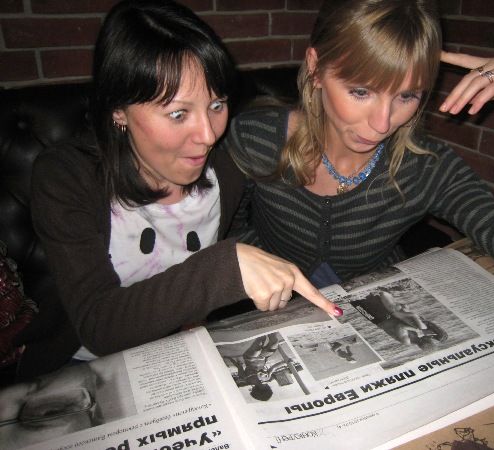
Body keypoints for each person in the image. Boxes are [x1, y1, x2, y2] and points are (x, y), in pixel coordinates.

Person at [30, 0, 341, 362]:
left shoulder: (227, 165)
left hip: (189, 356)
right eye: (178, 114)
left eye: (216, 105)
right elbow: (98, 326)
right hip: (83, 370)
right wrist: (224, 269)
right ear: (118, 110)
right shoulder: (66, 177)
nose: (208, 136)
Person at [226, 0, 494, 288]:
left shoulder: (425, 167)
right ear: (315, 68)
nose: (383, 123)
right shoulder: (254, 139)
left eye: (407, 96)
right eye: (361, 91)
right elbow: (227, 234)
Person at [226, 334, 288, 401]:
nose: (267, 385)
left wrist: (230, 359)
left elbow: (239, 367)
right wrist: (284, 362)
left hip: (251, 358)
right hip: (263, 357)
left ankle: (262, 335)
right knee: (274, 342)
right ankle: (271, 332)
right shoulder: (267, 378)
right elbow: (273, 368)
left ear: (260, 389)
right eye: (267, 387)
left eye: (265, 387)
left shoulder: (247, 379)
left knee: (259, 344)